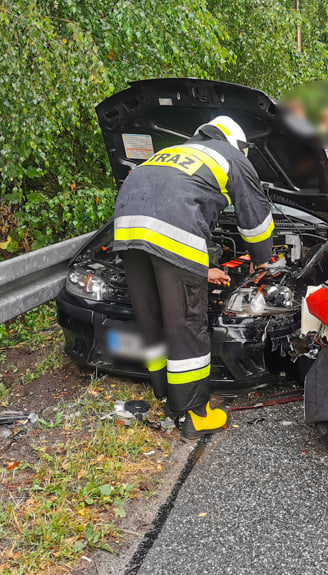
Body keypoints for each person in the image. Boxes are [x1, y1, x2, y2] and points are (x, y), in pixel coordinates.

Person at [113, 116, 274, 438]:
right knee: (186, 324)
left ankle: (162, 391)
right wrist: (262, 260)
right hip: (171, 232)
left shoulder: (175, 151)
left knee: (152, 317)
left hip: (127, 229)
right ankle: (193, 414)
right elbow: (255, 220)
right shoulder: (230, 157)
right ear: (237, 143)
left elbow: (165, 200)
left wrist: (199, 268)